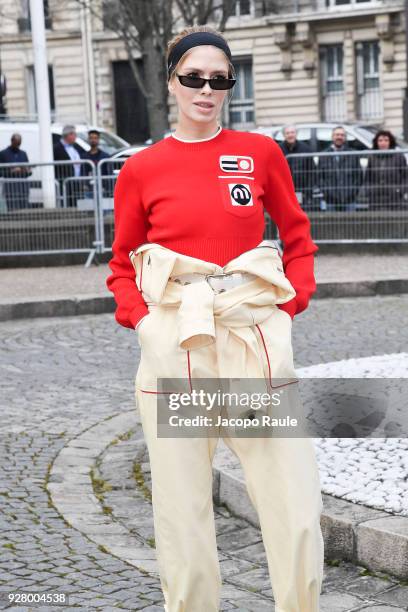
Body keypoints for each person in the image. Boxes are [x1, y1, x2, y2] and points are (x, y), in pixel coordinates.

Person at [106, 25, 324, 612]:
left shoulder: (259, 153)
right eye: (193, 78)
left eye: (219, 79)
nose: (206, 90)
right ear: (171, 81)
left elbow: (298, 234)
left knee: (295, 503)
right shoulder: (141, 169)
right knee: (182, 509)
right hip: (177, 345)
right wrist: (142, 320)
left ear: (230, 84)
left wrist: (291, 299)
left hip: (251, 340)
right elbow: (122, 262)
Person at [318, 125, 363, 211]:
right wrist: (327, 193)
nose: (339, 137)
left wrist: (353, 192)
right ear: (332, 137)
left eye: (342, 135)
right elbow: (319, 177)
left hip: (350, 199)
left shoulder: (353, 154)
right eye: (337, 135)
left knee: (350, 223)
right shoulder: (323, 155)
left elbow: (359, 176)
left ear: (345, 138)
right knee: (331, 224)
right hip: (330, 200)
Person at [364, 129, 408, 210]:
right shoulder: (372, 157)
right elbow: (367, 178)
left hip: (395, 200)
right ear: (376, 143)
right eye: (380, 140)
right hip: (376, 200)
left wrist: (400, 191)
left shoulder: (399, 156)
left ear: (390, 142)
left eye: (386, 140)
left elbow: (405, 178)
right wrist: (369, 191)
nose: (383, 143)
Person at [279, 124, 317, 210]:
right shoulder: (278, 149)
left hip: (302, 190)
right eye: (287, 133)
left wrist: (308, 190)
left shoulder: (306, 149)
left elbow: (312, 171)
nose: (290, 135)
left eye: (292, 132)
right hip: (284, 191)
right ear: (284, 135)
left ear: (296, 134)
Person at [53, 125, 87, 207]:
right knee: (68, 205)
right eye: (74, 135)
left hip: (76, 182)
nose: (75, 137)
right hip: (65, 183)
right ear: (68, 135)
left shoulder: (75, 147)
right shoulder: (56, 148)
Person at [0, 134, 32, 210]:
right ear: (12, 141)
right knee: (12, 209)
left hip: (23, 187)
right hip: (10, 188)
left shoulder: (23, 154)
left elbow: (29, 171)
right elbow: (1, 172)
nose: (17, 145)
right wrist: (11, 171)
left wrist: (27, 170)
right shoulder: (3, 154)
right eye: (16, 143)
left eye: (19, 143)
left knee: (24, 208)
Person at [82, 129, 111, 199]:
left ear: (98, 140)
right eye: (91, 138)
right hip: (89, 188)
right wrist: (84, 184)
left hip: (103, 189)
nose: (93, 140)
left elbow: (108, 173)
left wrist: (106, 186)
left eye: (95, 138)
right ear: (88, 139)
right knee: (89, 208)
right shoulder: (84, 156)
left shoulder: (105, 156)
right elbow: (83, 172)